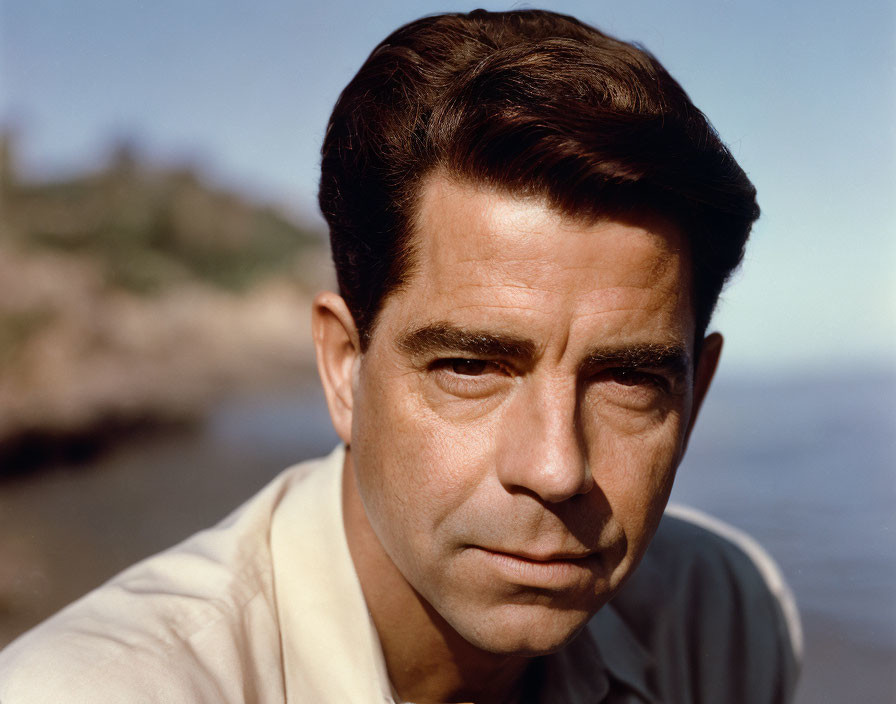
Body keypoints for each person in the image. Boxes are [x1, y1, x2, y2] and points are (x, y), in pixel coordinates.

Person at [0, 9, 801, 703]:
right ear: (345, 367)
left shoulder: (725, 622)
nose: (556, 468)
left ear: (692, 402)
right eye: (471, 368)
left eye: (629, 378)